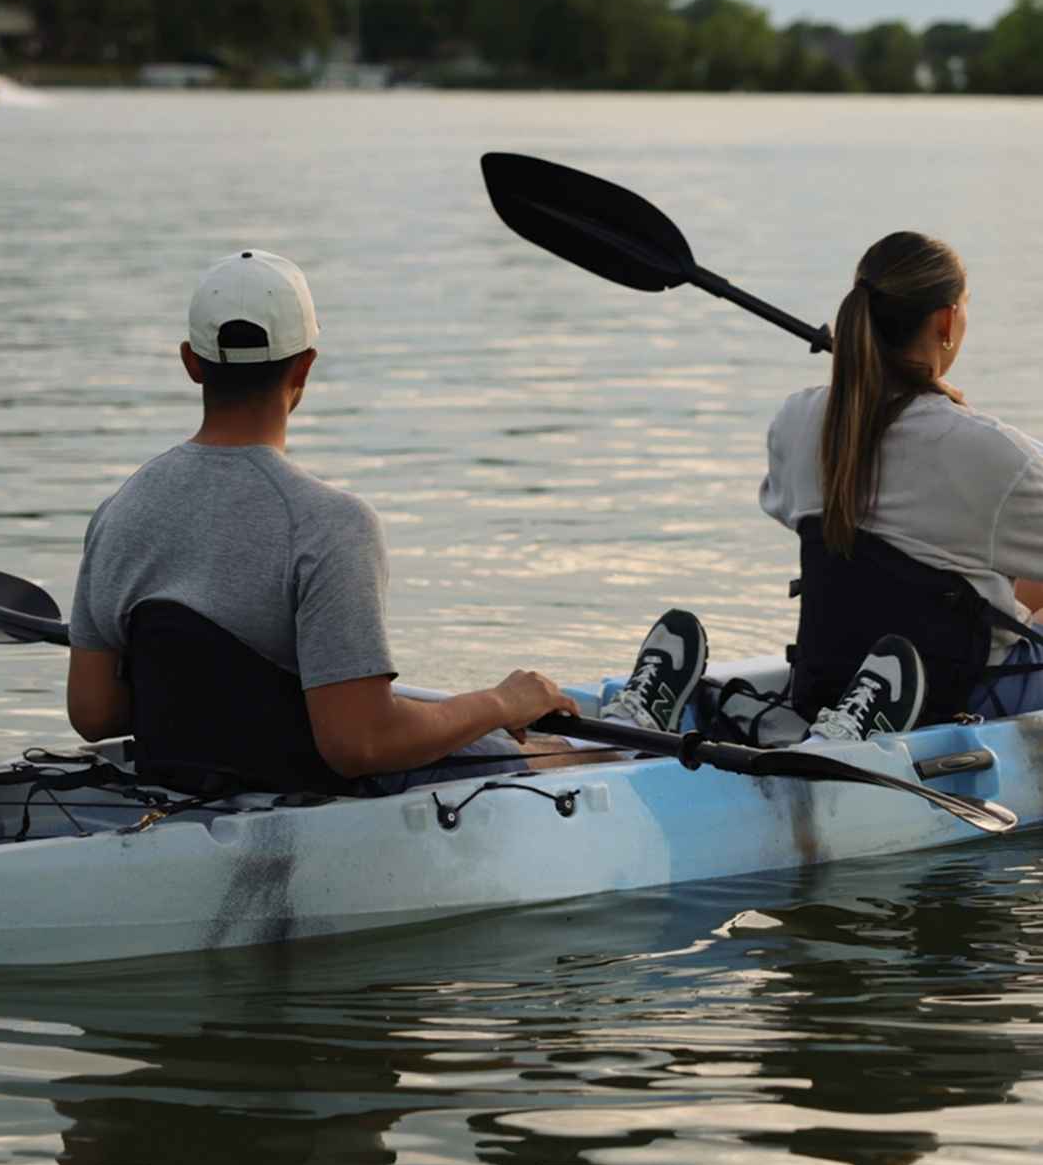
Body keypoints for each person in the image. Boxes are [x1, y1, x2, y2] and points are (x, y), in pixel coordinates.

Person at [67, 248, 707, 795]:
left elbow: (93, 714)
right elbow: (360, 745)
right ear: (306, 367)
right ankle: (635, 738)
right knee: (567, 756)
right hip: (315, 786)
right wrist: (501, 703)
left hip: (187, 781)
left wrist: (206, 688)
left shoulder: (120, 512)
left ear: (190, 363)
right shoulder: (328, 524)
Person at [760, 231, 1043, 740]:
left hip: (829, 681)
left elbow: (790, 505)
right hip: (965, 695)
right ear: (946, 322)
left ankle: (868, 704)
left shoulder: (797, 420)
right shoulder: (992, 453)